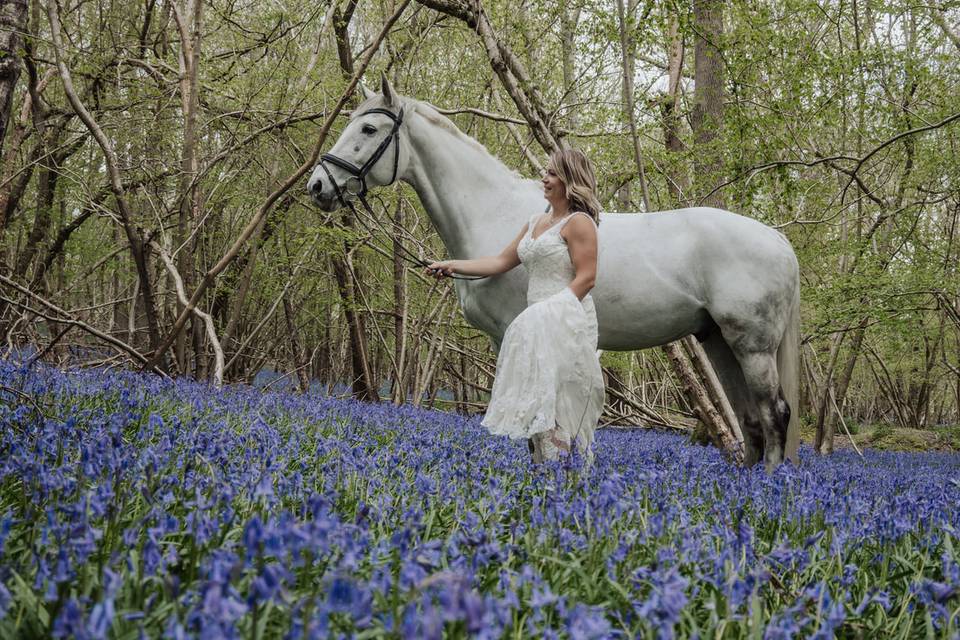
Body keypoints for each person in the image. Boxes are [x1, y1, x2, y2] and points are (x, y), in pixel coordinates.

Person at [427, 148, 605, 463]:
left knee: (559, 405)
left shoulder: (580, 223)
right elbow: (499, 262)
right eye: (546, 172)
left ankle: (566, 481)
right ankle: (546, 478)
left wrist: (549, 311)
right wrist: (453, 265)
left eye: (551, 173)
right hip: (535, 324)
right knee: (537, 404)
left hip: (565, 321)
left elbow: (587, 278)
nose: (544, 178)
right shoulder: (536, 221)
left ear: (569, 181)